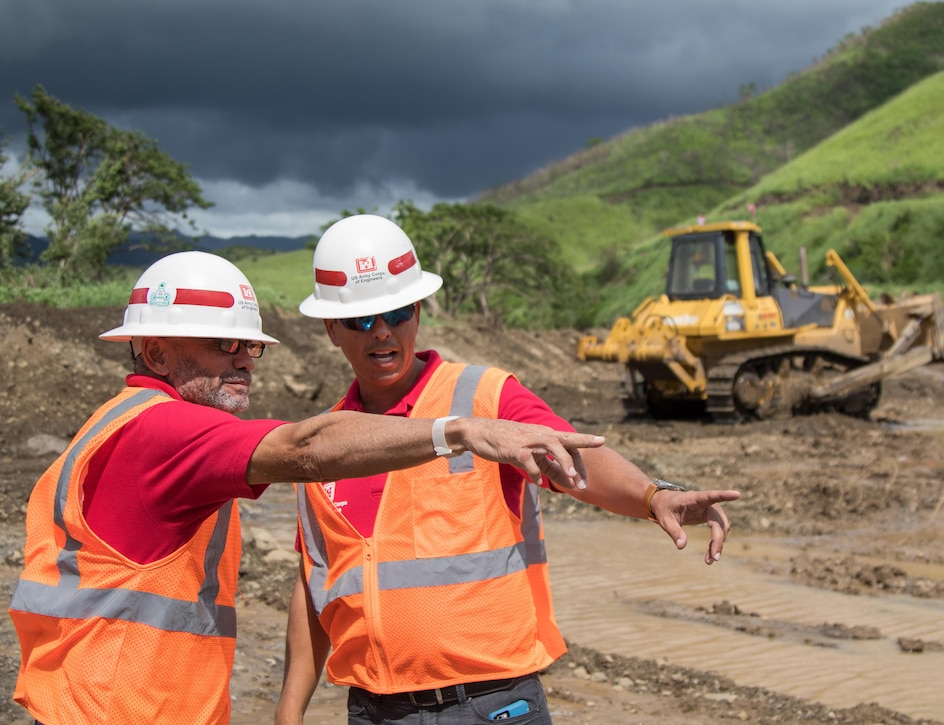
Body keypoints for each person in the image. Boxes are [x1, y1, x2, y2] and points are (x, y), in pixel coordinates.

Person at [7, 250, 605, 725]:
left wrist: (654, 496)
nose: (244, 360)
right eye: (223, 345)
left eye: (250, 346)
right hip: (122, 709)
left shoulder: (115, 420)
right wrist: (460, 429)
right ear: (158, 350)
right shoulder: (166, 429)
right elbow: (306, 449)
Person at [275, 214, 742, 725]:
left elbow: (570, 456)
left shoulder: (483, 396)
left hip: (489, 705)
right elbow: (313, 580)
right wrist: (288, 711)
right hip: (375, 711)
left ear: (418, 312)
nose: (382, 332)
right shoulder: (320, 445)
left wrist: (653, 496)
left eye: (398, 312)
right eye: (361, 320)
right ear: (330, 329)